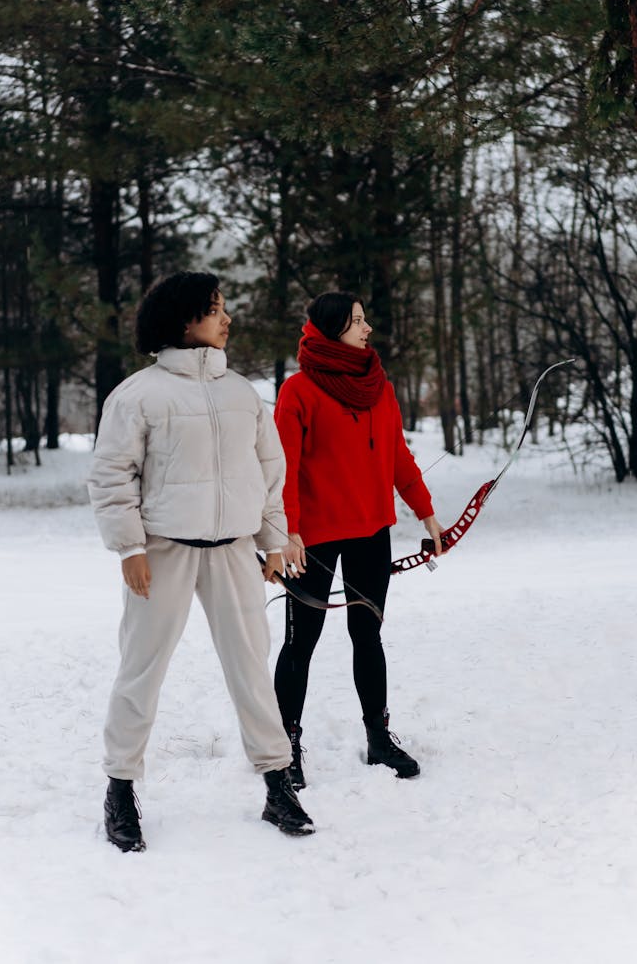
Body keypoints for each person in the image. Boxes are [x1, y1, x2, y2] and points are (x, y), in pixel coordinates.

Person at [88, 271, 314, 851]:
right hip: (162, 553)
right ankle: (119, 789)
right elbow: (113, 476)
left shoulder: (242, 394)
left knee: (251, 669)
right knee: (141, 669)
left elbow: (268, 473)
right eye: (216, 309)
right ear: (186, 320)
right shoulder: (139, 395)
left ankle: (276, 783)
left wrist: (271, 541)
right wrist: (131, 548)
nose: (227, 318)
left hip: (235, 552)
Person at [273, 291, 444, 789]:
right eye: (356, 322)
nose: (367, 329)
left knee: (366, 634)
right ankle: (285, 747)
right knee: (300, 642)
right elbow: (282, 468)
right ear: (332, 330)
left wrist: (427, 512)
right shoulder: (298, 391)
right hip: (313, 540)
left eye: (365, 320)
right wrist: (288, 530)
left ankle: (378, 737)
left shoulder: (378, 385)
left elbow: (398, 458)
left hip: (372, 532)